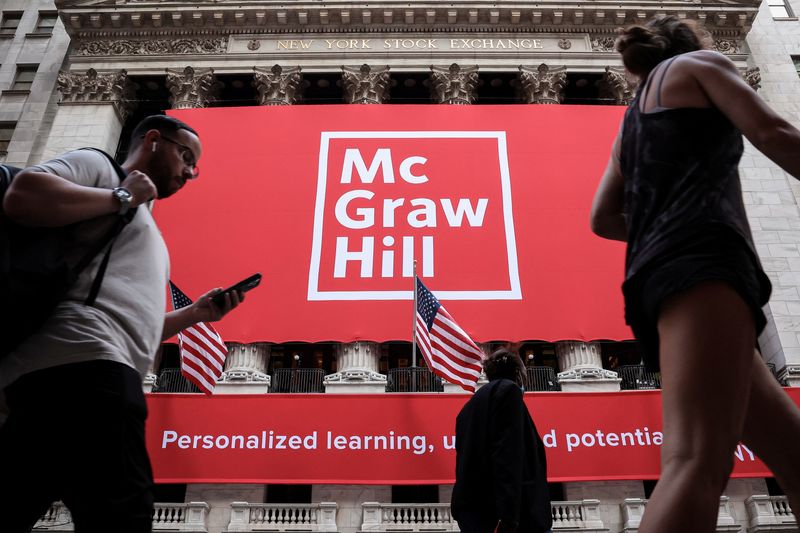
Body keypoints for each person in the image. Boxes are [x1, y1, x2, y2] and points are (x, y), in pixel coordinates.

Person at [590, 15, 800, 533]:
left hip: (658, 280)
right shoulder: (699, 65)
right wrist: (688, 224)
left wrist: (662, 222)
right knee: (696, 461)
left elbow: (602, 218)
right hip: (703, 264)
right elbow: (773, 131)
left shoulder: (631, 121)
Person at [0, 115, 245, 532]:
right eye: (186, 156)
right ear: (153, 140)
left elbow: (136, 326)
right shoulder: (100, 168)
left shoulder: (144, 221)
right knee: (124, 509)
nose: (190, 171)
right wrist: (120, 196)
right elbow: (22, 195)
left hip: (67, 371)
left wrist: (196, 315)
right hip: (87, 364)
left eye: (195, 165)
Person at [451, 349, 552, 533]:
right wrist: (508, 519)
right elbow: (508, 456)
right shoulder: (508, 392)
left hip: (473, 515)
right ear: (517, 373)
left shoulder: (466, 410)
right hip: (511, 518)